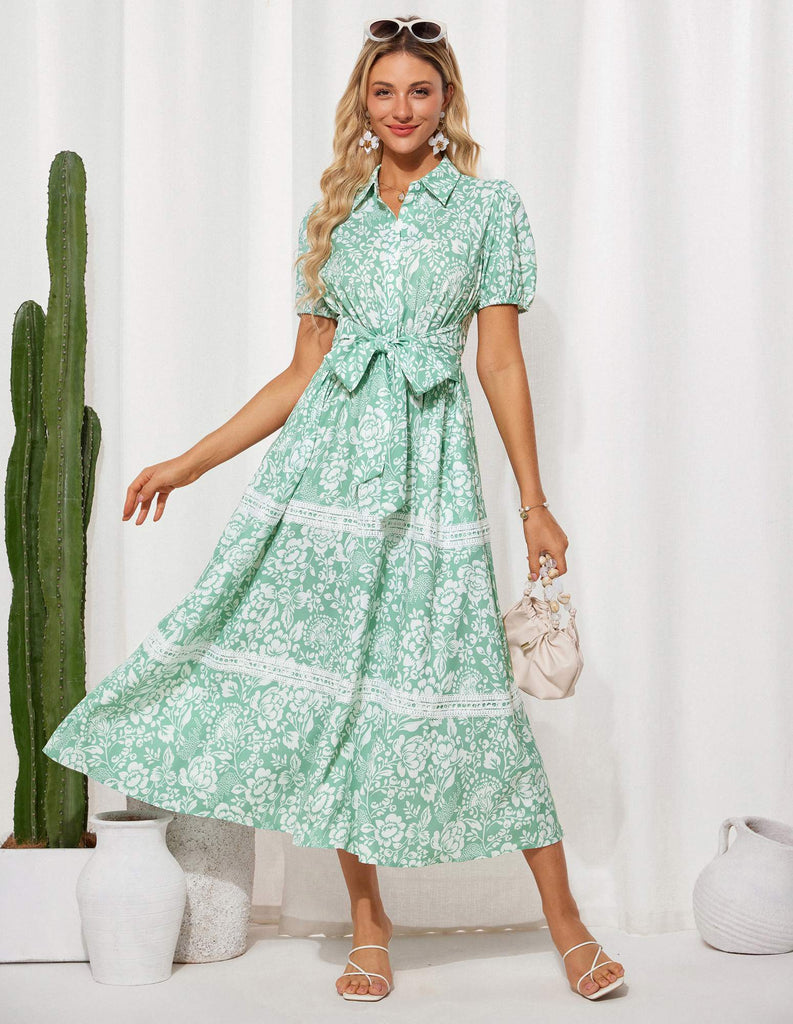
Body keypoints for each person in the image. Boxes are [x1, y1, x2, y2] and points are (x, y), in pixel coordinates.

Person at [43, 14, 626, 1005]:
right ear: (363, 102)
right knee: (337, 699)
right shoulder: (335, 213)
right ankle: (367, 923)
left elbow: (498, 361)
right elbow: (302, 372)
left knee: (474, 690)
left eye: (420, 91)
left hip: (429, 483)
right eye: (384, 91)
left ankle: (566, 920)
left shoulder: (486, 209)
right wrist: (189, 462)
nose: (401, 109)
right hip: (323, 482)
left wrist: (535, 502)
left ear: (446, 103)